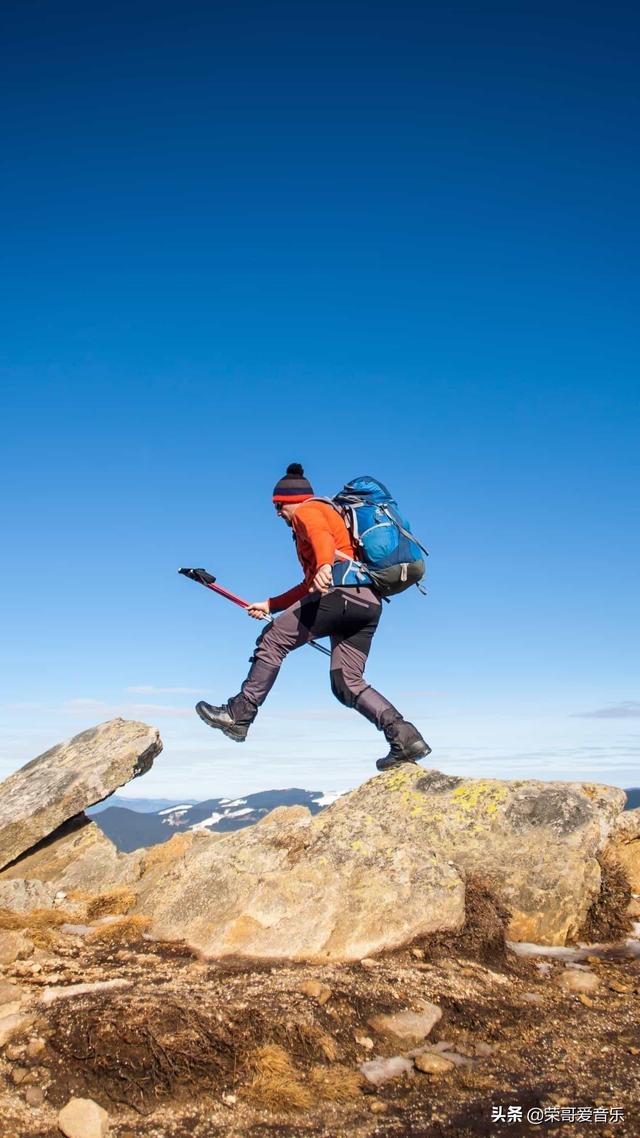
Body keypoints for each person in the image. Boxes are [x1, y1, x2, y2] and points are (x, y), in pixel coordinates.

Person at [196, 463, 431, 771]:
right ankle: (405, 737)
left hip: (340, 595)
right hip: (367, 604)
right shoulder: (330, 517)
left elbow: (321, 541)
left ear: (292, 500)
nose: (278, 513)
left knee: (273, 639)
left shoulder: (309, 510)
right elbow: (309, 584)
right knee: (346, 682)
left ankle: (239, 715)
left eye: (279, 505)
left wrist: (322, 566)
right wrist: (270, 604)